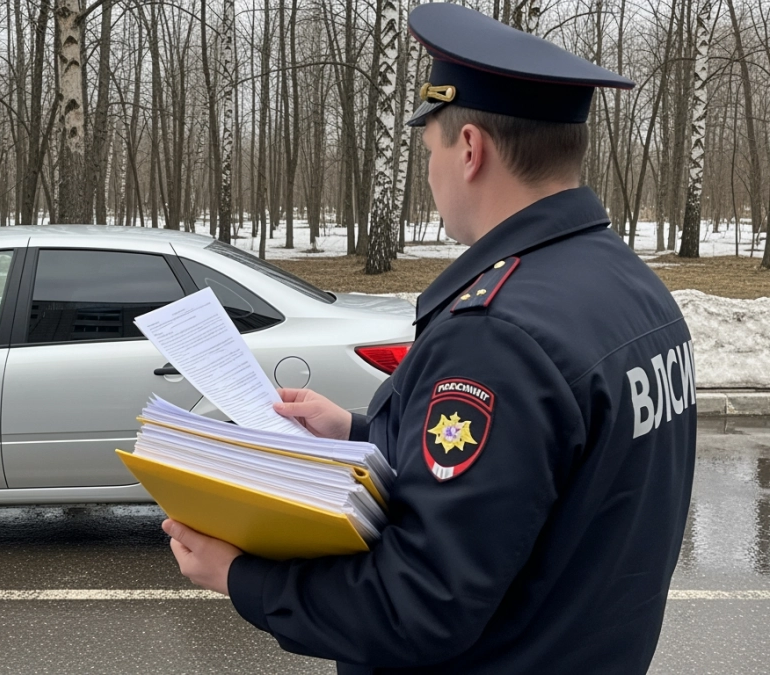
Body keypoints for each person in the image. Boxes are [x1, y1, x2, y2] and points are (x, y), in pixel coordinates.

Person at [160, 4, 696, 673]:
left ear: (469, 149)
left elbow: (419, 604)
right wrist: (357, 429)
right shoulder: (633, 289)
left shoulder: (497, 336)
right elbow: (536, 476)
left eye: (430, 150)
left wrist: (242, 577)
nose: (431, 172)